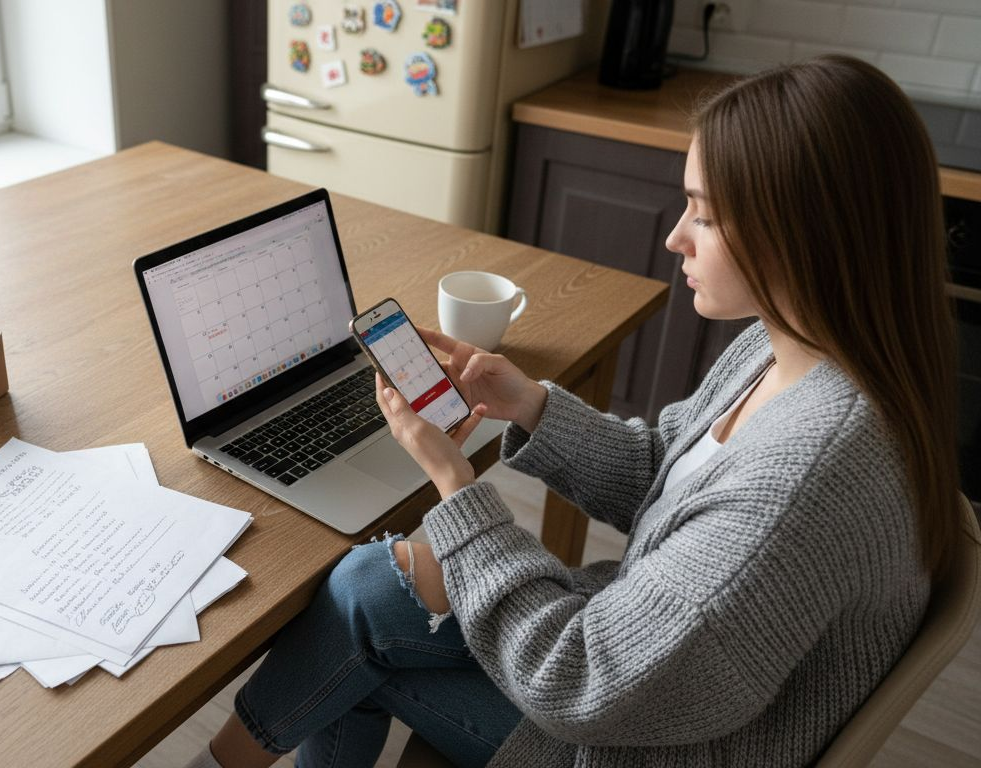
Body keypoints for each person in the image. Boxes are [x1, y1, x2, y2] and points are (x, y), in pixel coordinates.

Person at [185, 55, 963, 767]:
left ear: (804, 233)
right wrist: (527, 404)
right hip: (645, 668)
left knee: (362, 617)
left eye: (703, 213)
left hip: (625, 736)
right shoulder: (794, 349)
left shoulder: (810, 478)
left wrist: (457, 488)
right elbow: (673, 474)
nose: (674, 237)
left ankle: (220, 761)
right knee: (367, 585)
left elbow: (583, 682)